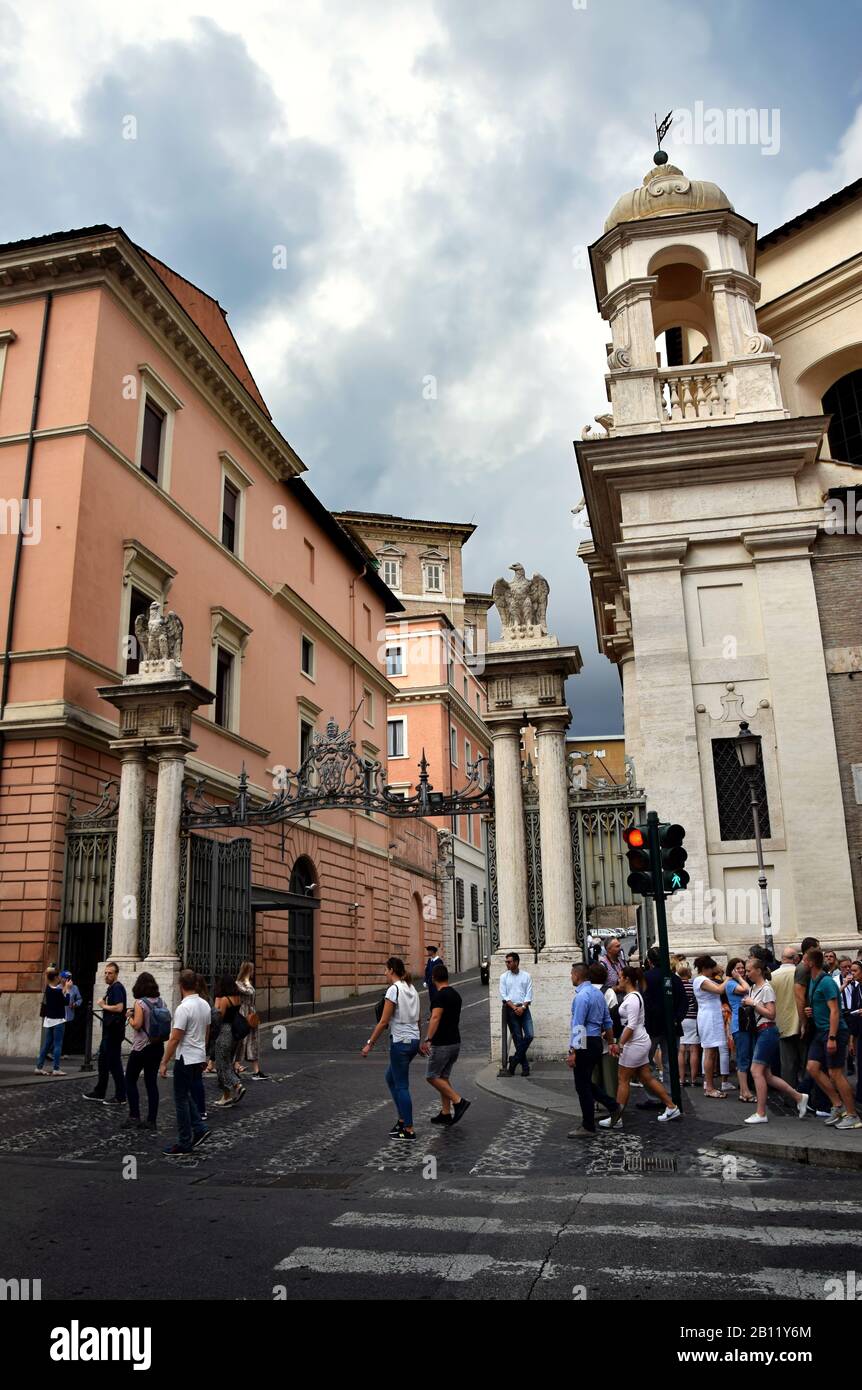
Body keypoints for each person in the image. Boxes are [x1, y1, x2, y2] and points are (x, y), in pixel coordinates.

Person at [599, 966, 681, 1128]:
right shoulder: (633, 997)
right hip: (637, 1042)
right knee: (646, 1077)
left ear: (627, 979)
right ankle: (671, 1106)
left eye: (620, 977)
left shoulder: (633, 999)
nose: (618, 980)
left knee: (623, 1079)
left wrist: (620, 1044)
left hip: (634, 1043)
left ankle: (617, 1118)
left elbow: (631, 1025)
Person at [741, 953, 810, 1125]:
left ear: (758, 970)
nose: (746, 973)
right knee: (767, 1075)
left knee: (756, 1071)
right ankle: (799, 1097)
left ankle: (761, 1112)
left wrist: (753, 1004)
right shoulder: (753, 989)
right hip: (760, 1032)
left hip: (767, 1031)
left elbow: (771, 1014)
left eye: (749, 970)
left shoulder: (766, 988)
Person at [361, 957, 421, 1141]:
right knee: (391, 1077)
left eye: (386, 970)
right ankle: (402, 1119)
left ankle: (408, 1128)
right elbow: (418, 1019)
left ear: (392, 970)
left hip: (401, 1043)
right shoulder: (412, 988)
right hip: (413, 1040)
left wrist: (369, 1043)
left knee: (401, 1085)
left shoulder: (393, 990)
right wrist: (419, 1042)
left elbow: (384, 1022)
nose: (385, 973)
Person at [803, 949, 860, 1129]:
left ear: (811, 963)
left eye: (804, 960)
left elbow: (835, 1011)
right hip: (821, 1031)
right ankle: (837, 1105)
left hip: (833, 1032)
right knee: (812, 1068)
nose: (802, 963)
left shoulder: (826, 982)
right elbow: (823, 1007)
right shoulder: (813, 980)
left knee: (835, 1073)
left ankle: (852, 1115)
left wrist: (832, 1037)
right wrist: (811, 1011)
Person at [159, 969, 212, 1156]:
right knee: (185, 1095)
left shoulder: (183, 1008)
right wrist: (203, 1055)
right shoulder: (205, 1005)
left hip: (185, 1058)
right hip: (197, 1057)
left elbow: (175, 1038)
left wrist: (164, 1062)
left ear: (180, 986)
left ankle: (184, 1142)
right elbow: (206, 1033)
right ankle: (199, 1128)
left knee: (180, 1100)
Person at [567, 962, 620, 1137]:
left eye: (572, 974)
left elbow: (578, 1025)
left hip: (585, 1042)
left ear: (577, 975)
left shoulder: (582, 996)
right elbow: (607, 1021)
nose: (571, 977)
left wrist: (573, 1051)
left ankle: (588, 1125)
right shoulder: (598, 994)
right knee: (586, 1083)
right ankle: (612, 1105)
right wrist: (611, 1042)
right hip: (596, 1042)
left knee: (582, 1086)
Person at [421, 962, 469, 1125]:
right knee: (443, 1076)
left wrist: (428, 1039)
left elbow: (436, 1018)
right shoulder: (456, 995)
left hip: (442, 1044)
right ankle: (445, 1113)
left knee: (431, 1076)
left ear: (433, 978)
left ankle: (458, 1101)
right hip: (455, 1042)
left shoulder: (439, 997)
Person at [123, 972, 167, 1129]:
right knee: (151, 1083)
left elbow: (137, 1024)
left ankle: (134, 1115)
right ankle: (151, 1120)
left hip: (141, 1046)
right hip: (157, 1046)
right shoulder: (161, 1002)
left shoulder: (140, 1003)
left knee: (130, 1079)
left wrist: (128, 1017)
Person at [643, 946, 687, 1096]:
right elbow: (683, 1002)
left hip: (652, 1027)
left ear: (649, 961)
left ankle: (654, 1095)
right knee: (670, 1063)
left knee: (647, 1062)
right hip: (671, 1026)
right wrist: (676, 1019)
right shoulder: (674, 978)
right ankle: (670, 1093)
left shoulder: (646, 977)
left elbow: (644, 1002)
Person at [82, 962, 127, 1105]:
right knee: (103, 1062)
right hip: (109, 1031)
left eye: (110, 973)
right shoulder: (112, 988)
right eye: (106, 973)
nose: (107, 975)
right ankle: (100, 1091)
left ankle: (121, 1096)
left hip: (113, 1032)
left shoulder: (117, 988)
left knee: (114, 1064)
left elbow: (120, 1008)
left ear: (116, 974)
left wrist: (103, 1005)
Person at [795, 937, 831, 1117]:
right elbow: (799, 996)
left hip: (815, 1019)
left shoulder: (810, 970)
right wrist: (804, 1022)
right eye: (819, 948)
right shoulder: (804, 969)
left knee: (814, 1063)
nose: (822, 951)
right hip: (816, 1022)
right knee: (817, 1063)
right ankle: (816, 1101)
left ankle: (805, 1096)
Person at [691, 957, 729, 1099]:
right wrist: (729, 978)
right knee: (709, 1051)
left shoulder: (705, 979)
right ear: (706, 968)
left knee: (711, 1052)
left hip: (712, 1017)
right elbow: (719, 989)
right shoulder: (700, 980)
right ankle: (710, 1087)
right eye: (712, 968)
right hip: (708, 1018)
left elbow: (719, 974)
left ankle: (709, 1084)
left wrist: (722, 973)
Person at [724, 958, 755, 1102]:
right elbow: (746, 989)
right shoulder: (731, 984)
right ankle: (744, 1091)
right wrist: (737, 977)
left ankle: (744, 1090)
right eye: (738, 968)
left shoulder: (739, 981)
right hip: (739, 1024)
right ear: (731, 970)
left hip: (746, 1023)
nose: (741, 970)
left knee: (746, 1057)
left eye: (743, 968)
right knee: (743, 1058)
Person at [772, 947, 803, 1090]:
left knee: (788, 1065)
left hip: (781, 1024)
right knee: (805, 1062)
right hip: (802, 1023)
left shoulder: (772, 976)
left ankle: (789, 1097)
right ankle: (806, 1093)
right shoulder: (801, 973)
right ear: (796, 958)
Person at [212, 975, 246, 1108]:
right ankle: (227, 1094)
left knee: (221, 1065)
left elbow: (218, 1018)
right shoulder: (237, 999)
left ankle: (236, 1086)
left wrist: (216, 1006)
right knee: (226, 1063)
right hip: (234, 1033)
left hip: (224, 1032)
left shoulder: (225, 1000)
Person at [499, 951, 533, 1076]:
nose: (507, 964)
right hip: (511, 1010)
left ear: (516, 962)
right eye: (506, 962)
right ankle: (525, 1067)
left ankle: (514, 1060)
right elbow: (504, 995)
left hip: (524, 1009)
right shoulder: (504, 977)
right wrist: (514, 1008)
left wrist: (523, 1007)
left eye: (509, 961)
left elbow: (529, 994)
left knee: (529, 1035)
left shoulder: (526, 976)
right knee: (518, 1039)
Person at [35, 967, 72, 1076]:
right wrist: (68, 990)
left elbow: (59, 997)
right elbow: (66, 1001)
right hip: (58, 1020)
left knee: (46, 1044)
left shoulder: (48, 988)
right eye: (59, 976)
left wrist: (64, 988)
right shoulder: (57, 991)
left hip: (49, 1020)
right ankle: (56, 1068)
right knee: (57, 1045)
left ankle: (39, 1066)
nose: (60, 978)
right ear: (56, 977)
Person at [234, 960, 265, 1079]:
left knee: (253, 1040)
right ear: (247, 970)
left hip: (251, 1013)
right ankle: (236, 1065)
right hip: (243, 1014)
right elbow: (248, 992)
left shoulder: (247, 983)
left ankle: (256, 1070)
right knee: (241, 1041)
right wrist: (246, 981)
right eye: (252, 969)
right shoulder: (239, 984)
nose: (254, 972)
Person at [676, 964, 700, 1087]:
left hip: (681, 1018)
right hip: (692, 1018)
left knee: (681, 1050)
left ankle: (681, 1079)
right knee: (694, 1049)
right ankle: (693, 1079)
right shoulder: (693, 985)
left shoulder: (677, 986)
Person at [843, 960, 862, 1105]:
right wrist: (851, 1040)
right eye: (851, 971)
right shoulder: (856, 989)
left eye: (855, 971)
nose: (852, 974)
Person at [60, 970, 82, 1055]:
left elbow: (80, 999)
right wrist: (66, 988)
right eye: (66, 978)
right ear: (61, 978)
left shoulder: (75, 987)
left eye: (69, 978)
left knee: (68, 1034)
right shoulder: (58, 987)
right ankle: (56, 1052)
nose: (67, 980)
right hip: (59, 1015)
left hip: (69, 1015)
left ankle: (66, 1052)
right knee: (59, 1034)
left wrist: (75, 1004)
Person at [424, 945, 444, 1010]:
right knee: (432, 999)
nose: (428, 952)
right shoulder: (430, 960)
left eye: (429, 951)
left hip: (436, 984)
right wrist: (425, 981)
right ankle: (432, 1013)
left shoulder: (439, 961)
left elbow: (440, 973)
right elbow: (427, 971)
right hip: (430, 984)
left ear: (432, 951)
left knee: (437, 1000)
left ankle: (437, 1014)